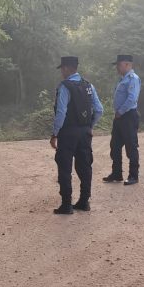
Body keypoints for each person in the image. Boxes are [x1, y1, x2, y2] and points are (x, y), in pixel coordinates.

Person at [50, 56, 104, 215]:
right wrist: (90, 126)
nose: (61, 72)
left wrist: (55, 133)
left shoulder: (64, 87)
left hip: (68, 132)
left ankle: (66, 205)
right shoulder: (89, 86)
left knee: (65, 167)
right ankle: (84, 201)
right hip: (85, 133)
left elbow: (61, 113)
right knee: (85, 166)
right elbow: (99, 110)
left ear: (67, 68)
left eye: (62, 68)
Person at [104, 54, 141, 185]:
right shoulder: (122, 79)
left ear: (127, 64)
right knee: (115, 145)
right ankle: (117, 173)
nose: (117, 68)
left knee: (131, 146)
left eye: (119, 65)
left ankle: (133, 175)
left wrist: (120, 111)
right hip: (120, 117)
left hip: (128, 116)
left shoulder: (133, 79)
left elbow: (132, 99)